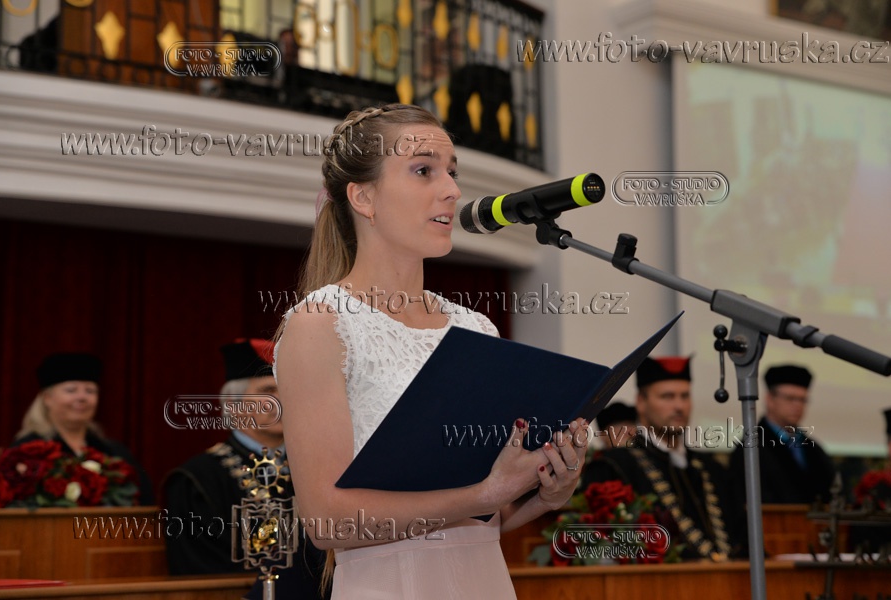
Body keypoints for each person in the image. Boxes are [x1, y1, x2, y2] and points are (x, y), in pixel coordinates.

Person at [272, 103, 587, 598]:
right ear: (363, 197)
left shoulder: (474, 326)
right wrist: (484, 494)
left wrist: (545, 494)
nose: (452, 190)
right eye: (424, 171)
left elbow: (482, 518)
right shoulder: (321, 323)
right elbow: (327, 524)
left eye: (452, 172)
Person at [163, 339, 324, 599]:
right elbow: (200, 571)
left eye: (287, 388)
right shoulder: (197, 479)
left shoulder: (317, 467)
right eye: (268, 390)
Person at [582, 356, 736, 561]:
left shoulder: (712, 468)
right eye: (667, 396)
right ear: (641, 402)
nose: (679, 406)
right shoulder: (614, 466)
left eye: (685, 396)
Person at [14, 352, 154, 505]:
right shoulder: (28, 450)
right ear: (47, 398)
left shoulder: (113, 451)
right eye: (71, 390)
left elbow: (144, 499)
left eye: (90, 391)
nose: (82, 397)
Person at [729, 364, 835, 505]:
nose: (797, 405)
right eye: (790, 398)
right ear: (770, 399)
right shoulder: (750, 449)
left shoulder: (813, 449)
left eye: (802, 399)